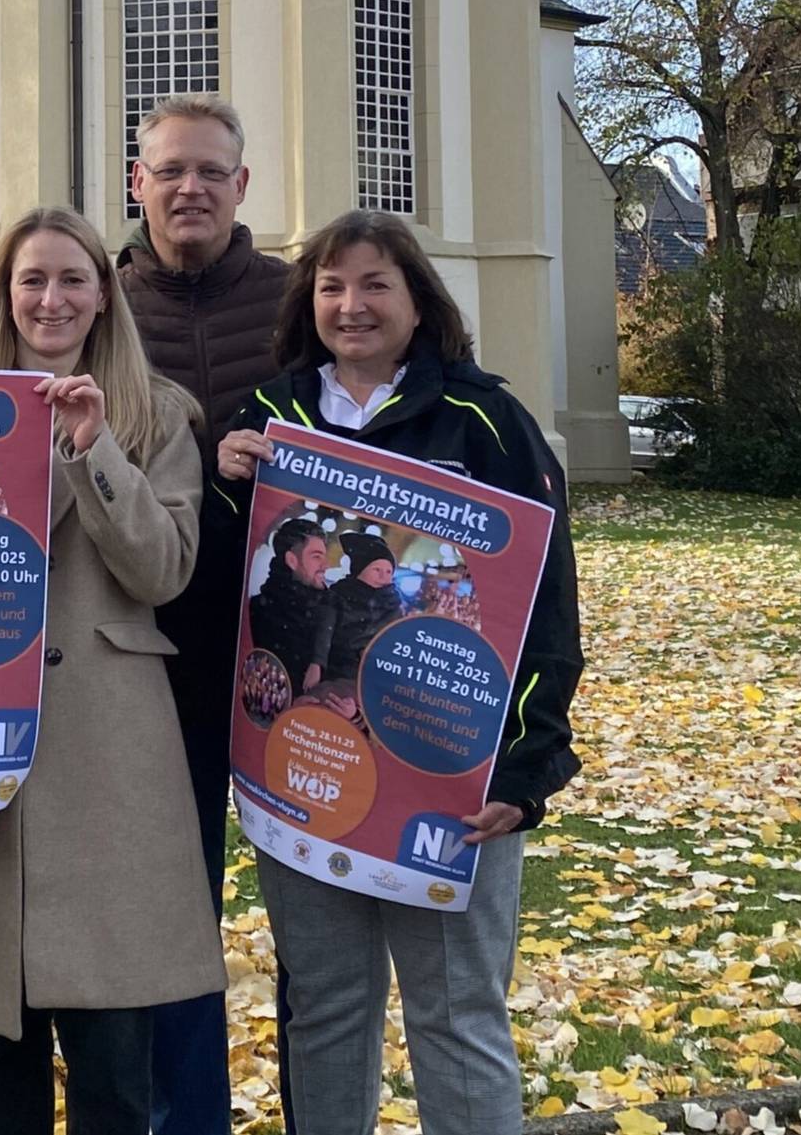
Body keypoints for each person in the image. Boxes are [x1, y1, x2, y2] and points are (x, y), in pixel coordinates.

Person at [211, 210, 584, 1135]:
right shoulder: (267, 420)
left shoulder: (486, 420)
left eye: (377, 284)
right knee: (328, 1008)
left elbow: (546, 600)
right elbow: (222, 595)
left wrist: (525, 768)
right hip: (308, 765)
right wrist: (223, 487)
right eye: (333, 285)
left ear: (419, 302)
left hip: (448, 775)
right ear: (309, 302)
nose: (353, 304)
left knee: (457, 1015)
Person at [0, 207, 224, 1135]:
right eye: (33, 280)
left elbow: (163, 568)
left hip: (107, 752)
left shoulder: (159, 414)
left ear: (103, 294)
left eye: (72, 279)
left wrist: (91, 447)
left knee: (113, 1051)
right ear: (5, 294)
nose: (52, 298)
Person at [114, 93, 292, 1135]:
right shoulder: (96, 305)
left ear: (241, 185)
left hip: (290, 659)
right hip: (150, 657)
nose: (189, 188)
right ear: (137, 182)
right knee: (171, 913)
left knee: (318, 917)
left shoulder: (296, 301)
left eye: (209, 171)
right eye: (168, 170)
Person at [248, 517, 333, 694]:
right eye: (316, 557)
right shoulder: (258, 611)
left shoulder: (332, 610)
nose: (325, 566)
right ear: (292, 560)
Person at [323, 530, 404, 685]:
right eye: (376, 570)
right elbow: (324, 636)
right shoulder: (338, 597)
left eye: (388, 571)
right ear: (359, 571)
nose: (383, 576)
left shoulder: (394, 606)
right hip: (336, 675)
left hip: (375, 681)